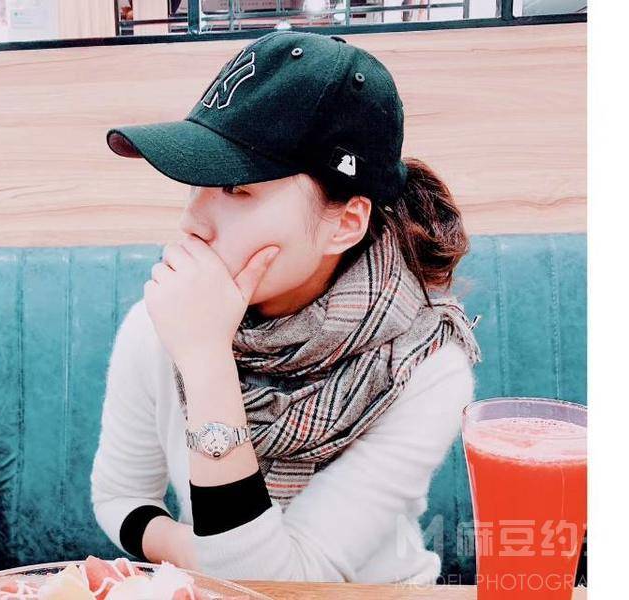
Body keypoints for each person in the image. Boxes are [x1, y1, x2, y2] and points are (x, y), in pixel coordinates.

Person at [90, 30, 481, 584]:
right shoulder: (161, 326)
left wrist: (207, 363)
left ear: (345, 223)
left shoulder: (424, 365)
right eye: (198, 182)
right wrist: (195, 550)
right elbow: (121, 496)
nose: (192, 221)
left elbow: (281, 582)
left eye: (237, 188)